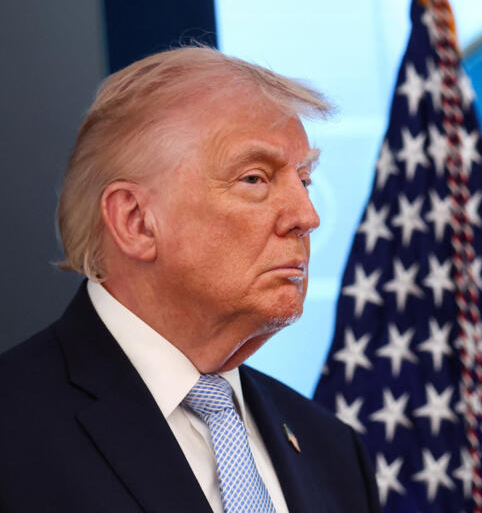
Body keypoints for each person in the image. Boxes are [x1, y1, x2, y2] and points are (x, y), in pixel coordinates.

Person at [0, 46, 380, 512]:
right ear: (136, 221)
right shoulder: (13, 428)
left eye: (304, 180)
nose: (307, 216)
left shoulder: (333, 450)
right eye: (256, 179)